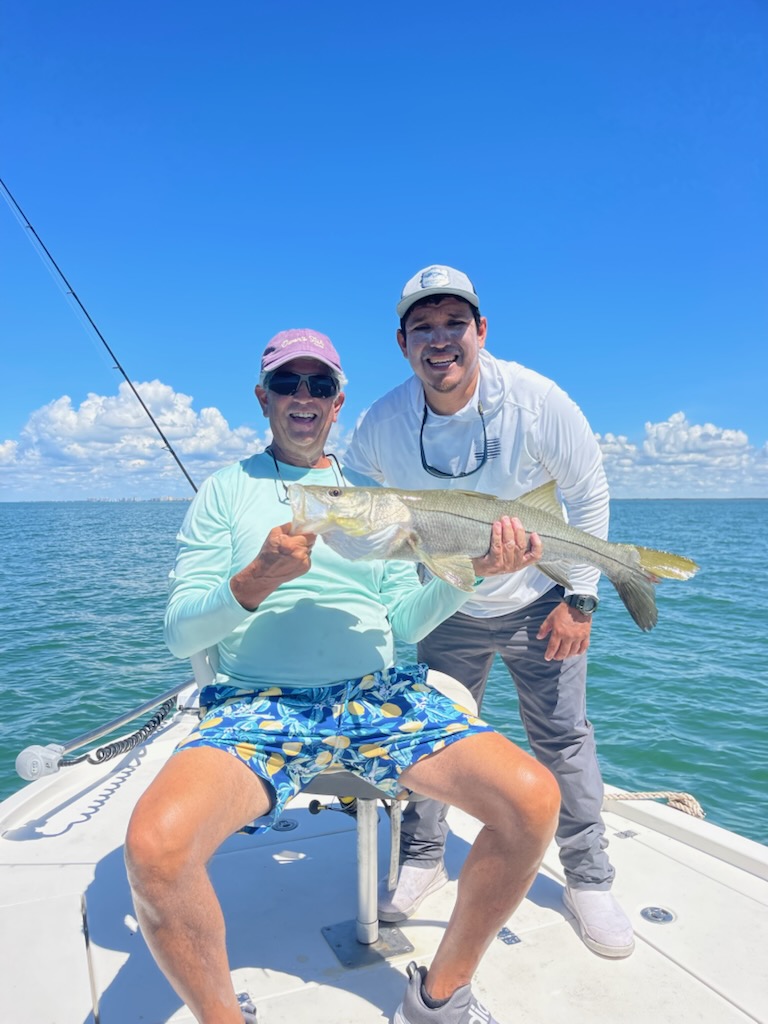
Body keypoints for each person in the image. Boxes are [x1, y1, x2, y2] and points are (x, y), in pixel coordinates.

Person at [125, 328, 560, 1024]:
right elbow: (179, 631)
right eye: (289, 384)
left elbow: (407, 623)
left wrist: (468, 575)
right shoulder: (225, 490)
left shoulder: (371, 495)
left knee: (534, 800)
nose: (304, 397)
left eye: (319, 385)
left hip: (378, 696)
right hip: (257, 703)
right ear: (263, 397)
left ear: (338, 403)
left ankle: (440, 995)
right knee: (154, 848)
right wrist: (252, 582)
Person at [344, 266, 635, 959]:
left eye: (454, 323)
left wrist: (581, 598)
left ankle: (588, 877)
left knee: (562, 739)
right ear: (402, 341)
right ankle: (422, 855)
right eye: (423, 326)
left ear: (481, 331)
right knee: (432, 736)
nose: (439, 339)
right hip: (443, 604)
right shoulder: (381, 423)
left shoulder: (537, 402)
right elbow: (355, 510)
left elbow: (588, 497)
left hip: (541, 603)